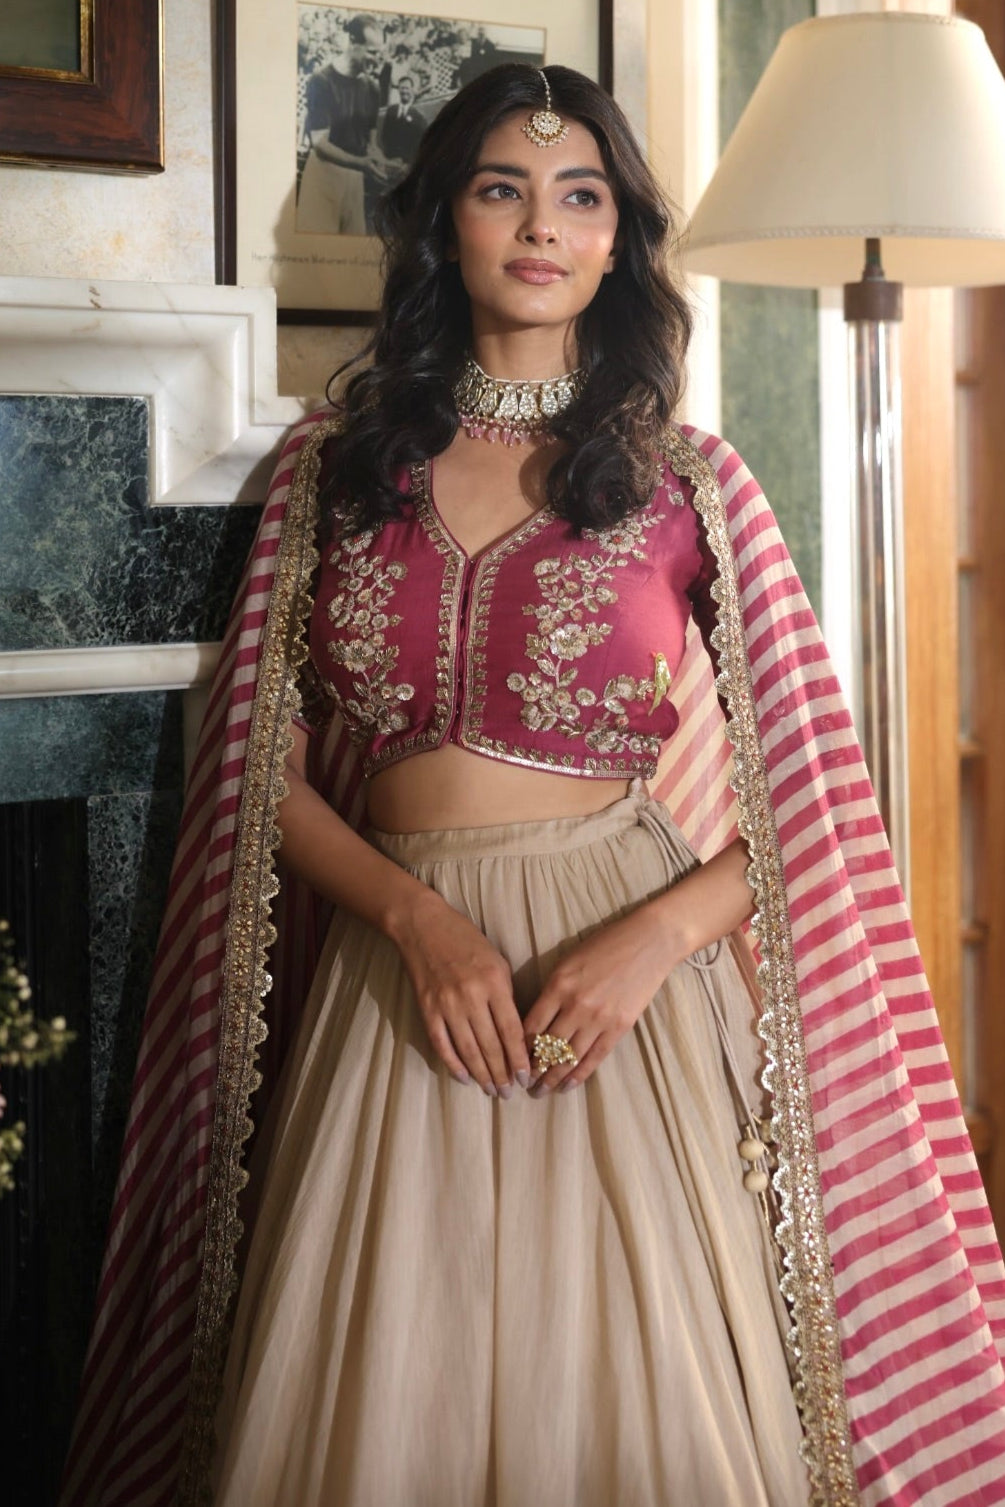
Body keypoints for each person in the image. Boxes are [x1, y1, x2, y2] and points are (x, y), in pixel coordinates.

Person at [59, 65, 1005, 1507]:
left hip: (617, 994)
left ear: (619, 238)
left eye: (581, 197)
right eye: (503, 188)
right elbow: (259, 778)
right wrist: (417, 924)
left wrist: (655, 939)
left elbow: (812, 798)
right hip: (398, 980)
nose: (543, 225)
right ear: (448, 220)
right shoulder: (336, 471)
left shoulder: (687, 482)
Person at [297, 15, 390, 236]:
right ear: (352, 41)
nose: (378, 59)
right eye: (372, 52)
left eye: (380, 53)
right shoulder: (321, 81)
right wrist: (363, 163)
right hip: (323, 175)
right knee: (316, 256)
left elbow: (371, 143)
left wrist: (383, 162)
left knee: (350, 257)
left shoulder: (372, 88)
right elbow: (320, 144)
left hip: (355, 178)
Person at [377, 75, 426, 171]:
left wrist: (406, 162)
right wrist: (392, 159)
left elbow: (419, 144)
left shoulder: (418, 117)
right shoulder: (391, 111)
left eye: (407, 88)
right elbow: (385, 137)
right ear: (398, 90)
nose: (404, 91)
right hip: (391, 160)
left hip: (409, 164)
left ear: (412, 90)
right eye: (402, 88)